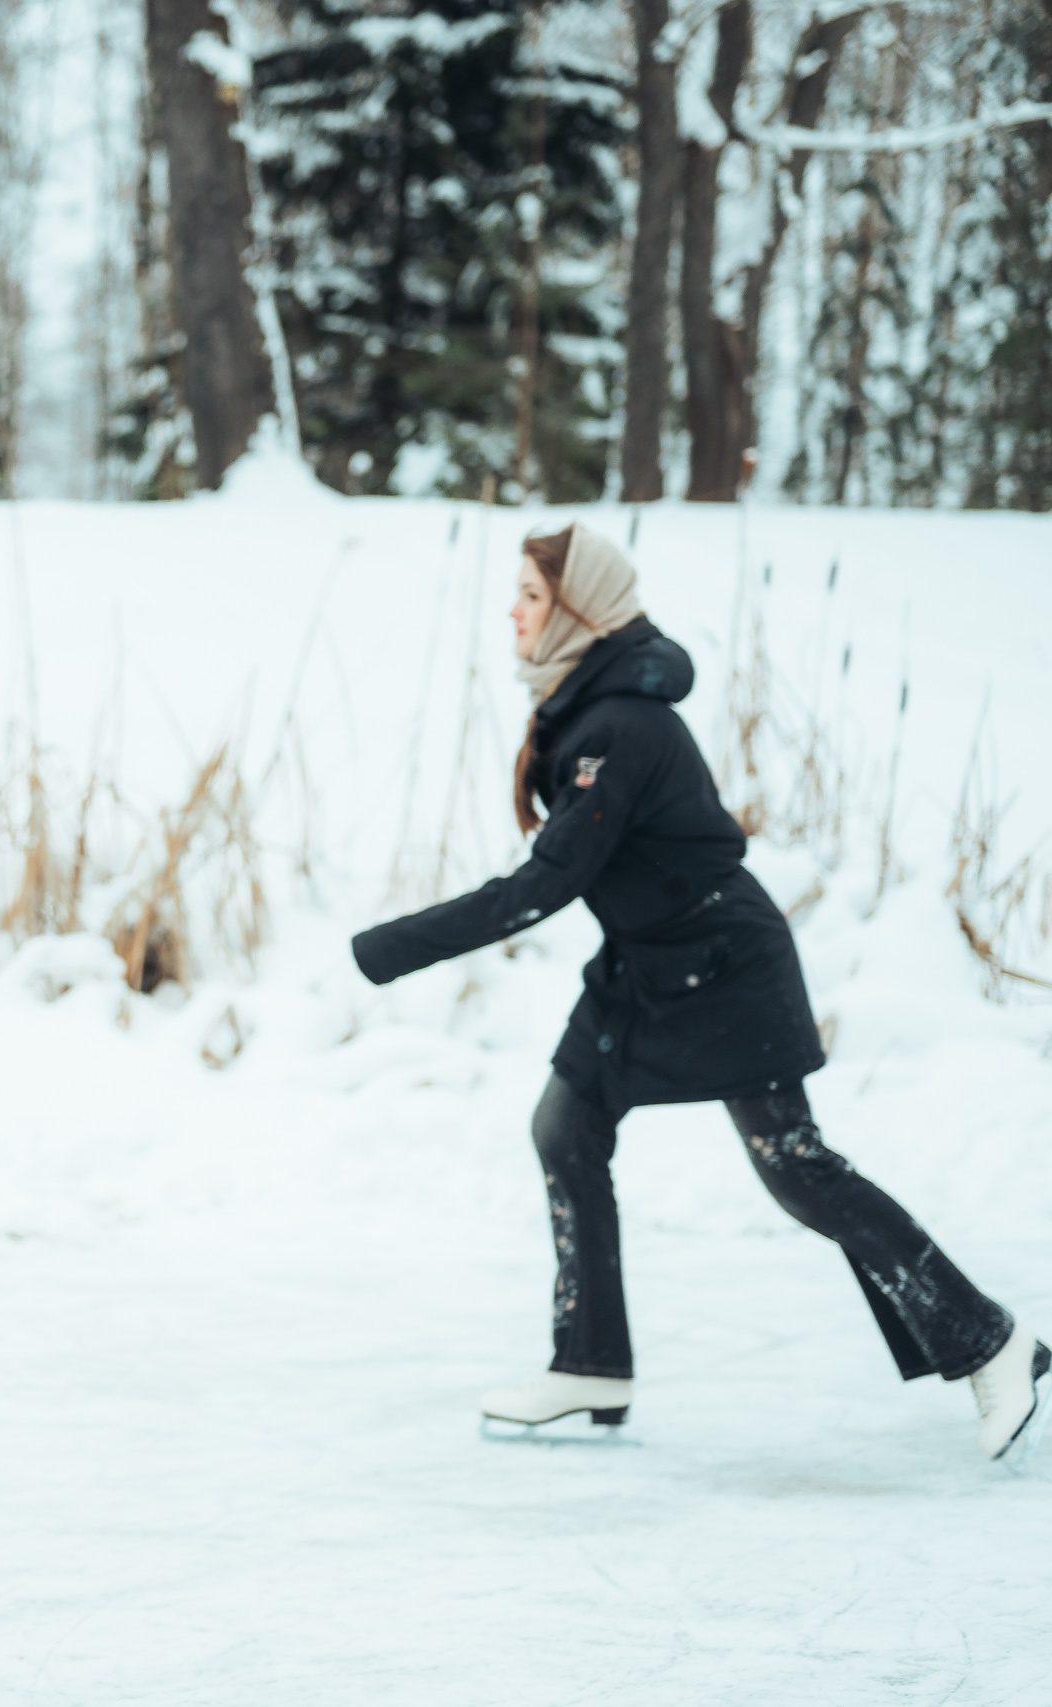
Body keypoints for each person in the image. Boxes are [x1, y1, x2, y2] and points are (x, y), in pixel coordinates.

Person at [350, 524, 1046, 1460]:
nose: (511, 611)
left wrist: (388, 947)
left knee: (797, 1166)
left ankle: (989, 1341)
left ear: (578, 610)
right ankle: (591, 1360)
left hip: (724, 967)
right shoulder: (586, 706)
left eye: (529, 594)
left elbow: (541, 887)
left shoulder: (620, 728)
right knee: (565, 1125)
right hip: (644, 969)